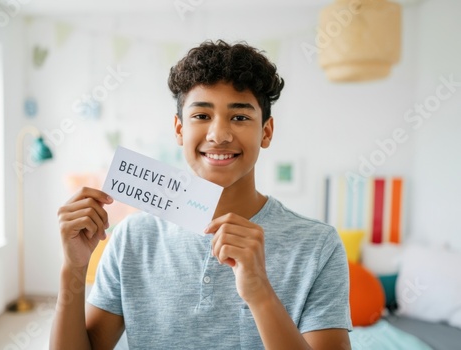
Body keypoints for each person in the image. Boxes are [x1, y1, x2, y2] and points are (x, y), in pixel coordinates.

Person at [51, 40, 352, 350]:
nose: (219, 135)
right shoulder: (132, 237)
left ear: (266, 132)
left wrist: (260, 294)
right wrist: (72, 269)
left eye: (239, 117)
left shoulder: (318, 245)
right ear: (179, 130)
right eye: (201, 116)